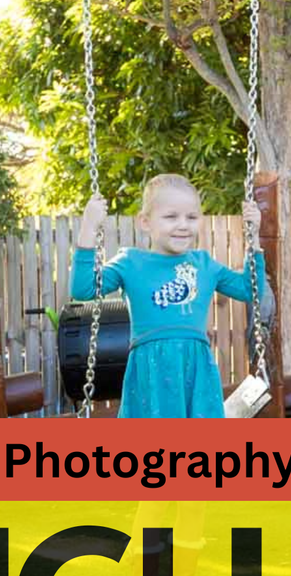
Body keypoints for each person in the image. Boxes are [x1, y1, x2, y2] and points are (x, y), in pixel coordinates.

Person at [72, 174, 268, 419]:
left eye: (191, 217)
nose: (183, 225)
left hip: (196, 371)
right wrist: (89, 227)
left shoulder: (204, 264)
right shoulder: (131, 263)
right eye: (171, 217)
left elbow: (250, 290)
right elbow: (83, 289)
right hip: (151, 371)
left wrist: (255, 238)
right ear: (145, 222)